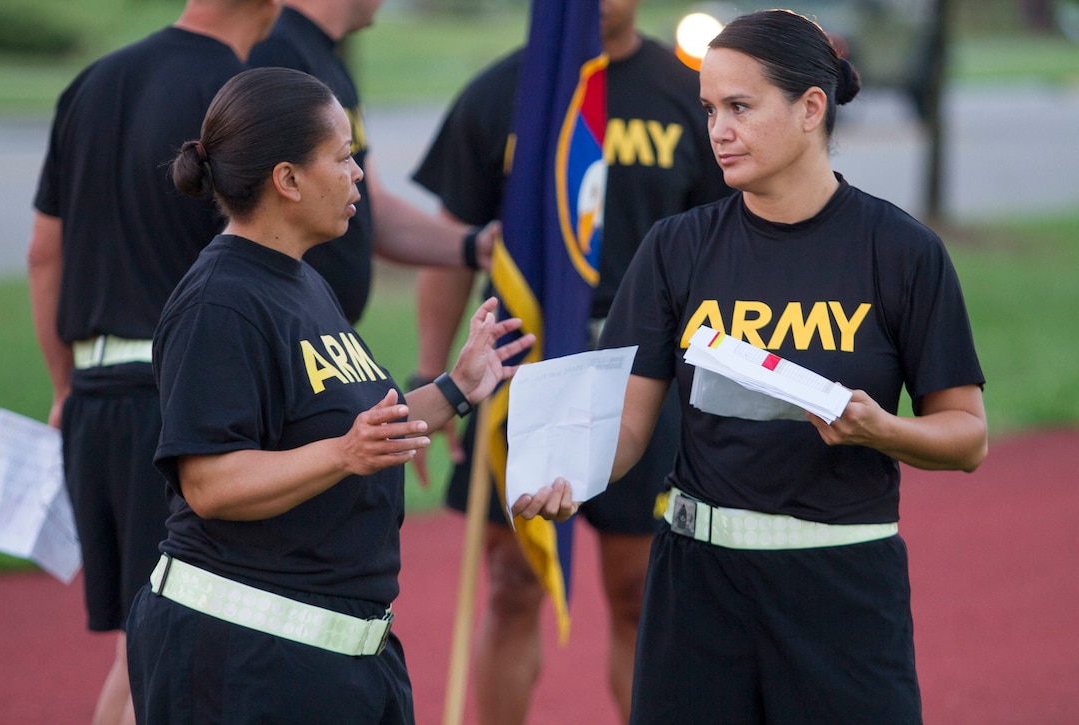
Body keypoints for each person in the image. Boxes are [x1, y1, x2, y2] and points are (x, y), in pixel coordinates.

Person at [513, 9, 988, 724]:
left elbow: (967, 436)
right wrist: (567, 475)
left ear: (810, 109)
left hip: (844, 587)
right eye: (709, 109)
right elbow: (631, 431)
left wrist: (879, 428)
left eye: (740, 107)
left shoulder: (902, 250)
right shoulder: (676, 247)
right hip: (697, 588)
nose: (718, 131)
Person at [124, 66, 534, 723]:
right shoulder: (219, 301)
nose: (359, 174)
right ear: (287, 179)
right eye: (343, 157)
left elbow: (362, 432)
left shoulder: (302, 282)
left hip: (336, 658)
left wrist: (458, 387)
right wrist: (343, 453)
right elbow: (209, 482)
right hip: (241, 660)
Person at [410, 0, 730, 721]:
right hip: (520, 369)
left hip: (647, 375)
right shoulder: (505, 92)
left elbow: (727, 247)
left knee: (639, 589)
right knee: (510, 583)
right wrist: (432, 379)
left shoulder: (690, 94)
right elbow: (452, 248)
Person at [26, 2, 282, 722]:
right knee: (176, 652)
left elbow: (44, 253)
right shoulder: (244, 98)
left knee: (143, 648)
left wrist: (63, 386)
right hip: (182, 406)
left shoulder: (94, 81)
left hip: (95, 397)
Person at [249, 0, 495, 324]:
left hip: (324, 336)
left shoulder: (325, 57)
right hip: (288, 337)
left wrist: (477, 246)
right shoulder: (277, 55)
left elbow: (368, 204)